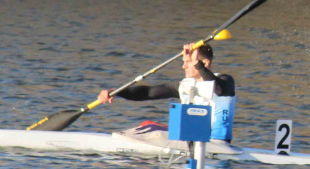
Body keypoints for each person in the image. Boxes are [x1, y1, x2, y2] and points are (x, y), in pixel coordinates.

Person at [96, 42, 236, 145]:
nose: (183, 66)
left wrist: (198, 65)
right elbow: (148, 92)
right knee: (148, 125)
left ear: (204, 63)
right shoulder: (184, 85)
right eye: (184, 62)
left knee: (153, 132)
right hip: (189, 142)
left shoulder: (225, 80)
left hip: (216, 144)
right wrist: (117, 92)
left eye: (188, 62)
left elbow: (218, 89)